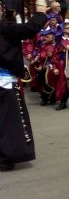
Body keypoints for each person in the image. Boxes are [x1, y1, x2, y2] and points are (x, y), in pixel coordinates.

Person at [0, 9, 48, 169]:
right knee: (10, 119)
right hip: (4, 79)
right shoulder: (5, 28)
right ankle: (8, 155)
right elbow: (30, 29)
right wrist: (41, 13)